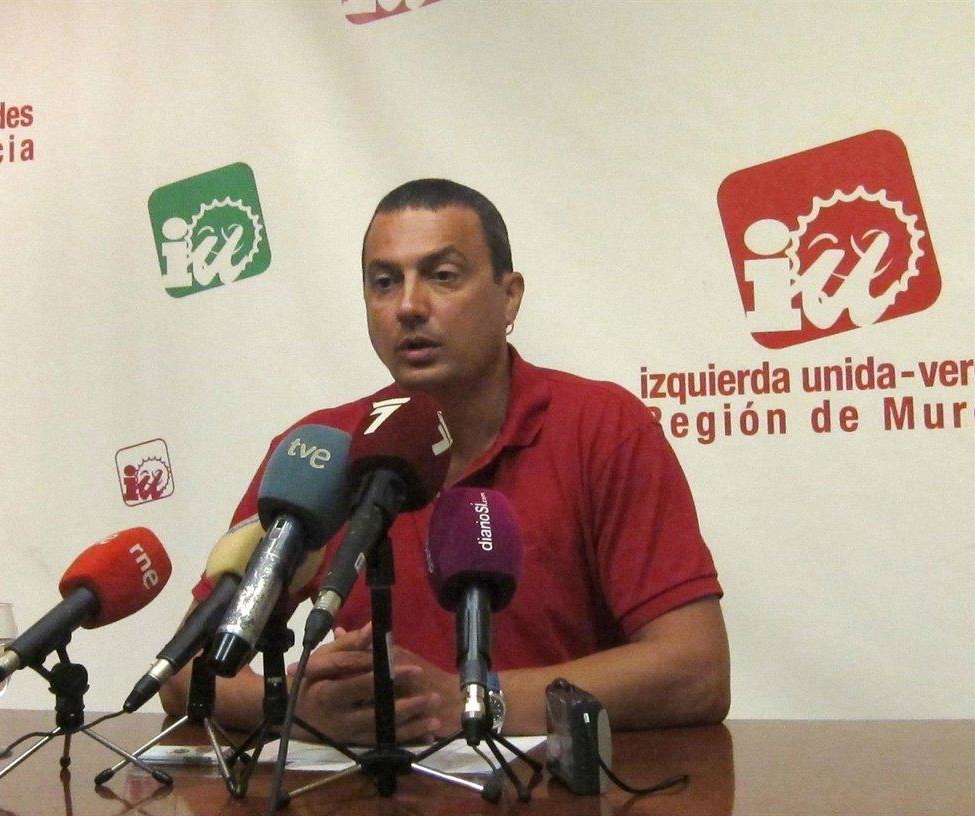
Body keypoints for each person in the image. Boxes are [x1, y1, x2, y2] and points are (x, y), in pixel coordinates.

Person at [161, 179, 729, 742]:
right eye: (385, 283)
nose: (409, 306)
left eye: (442, 276)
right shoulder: (322, 451)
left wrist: (473, 701)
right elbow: (183, 671)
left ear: (509, 296)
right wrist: (293, 708)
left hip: (552, 783)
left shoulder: (602, 427)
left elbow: (697, 670)